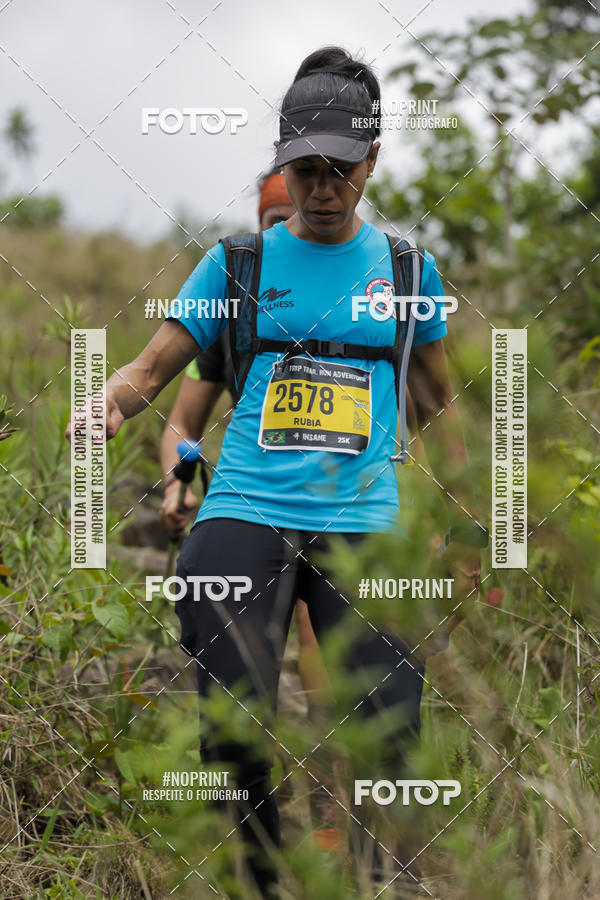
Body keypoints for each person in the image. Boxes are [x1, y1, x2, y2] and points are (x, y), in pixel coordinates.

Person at [67, 46, 483, 897]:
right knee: (233, 708)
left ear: (372, 163)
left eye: (339, 169)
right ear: (281, 165)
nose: (321, 188)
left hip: (365, 517)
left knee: (389, 721)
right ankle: (261, 873)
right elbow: (149, 373)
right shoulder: (237, 266)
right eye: (302, 169)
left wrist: (456, 514)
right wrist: (108, 402)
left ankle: (377, 880)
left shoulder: (408, 273)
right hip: (248, 503)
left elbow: (442, 406)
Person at [158, 171, 328, 709]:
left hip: (342, 493)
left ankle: (330, 760)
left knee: (317, 617)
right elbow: (181, 422)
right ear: (263, 225)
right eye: (278, 221)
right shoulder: (234, 301)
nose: (290, 230)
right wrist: (174, 488)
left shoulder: (353, 297)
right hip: (256, 490)